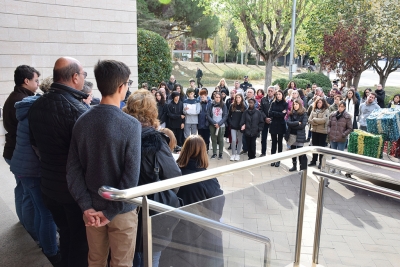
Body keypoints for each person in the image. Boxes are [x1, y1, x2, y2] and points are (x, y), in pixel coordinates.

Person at [66, 60, 141, 267]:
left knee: (95, 260)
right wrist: (109, 213)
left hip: (91, 211)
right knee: (122, 263)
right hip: (122, 211)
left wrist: (86, 207)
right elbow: (131, 176)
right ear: (121, 87)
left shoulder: (82, 121)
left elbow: (72, 171)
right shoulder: (131, 125)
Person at [28, 57, 89, 267]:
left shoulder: (36, 105)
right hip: (73, 192)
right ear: (74, 77)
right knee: (80, 244)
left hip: (49, 187)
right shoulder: (78, 111)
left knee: (65, 235)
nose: (83, 79)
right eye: (83, 75)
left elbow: (34, 143)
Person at [122, 89, 181, 267]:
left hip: (124, 209)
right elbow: (174, 176)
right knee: (151, 256)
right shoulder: (155, 140)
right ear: (152, 112)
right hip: (150, 210)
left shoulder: (119, 133)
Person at [9, 79, 60, 265]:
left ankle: (39, 240)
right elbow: (38, 145)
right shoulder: (39, 111)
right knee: (45, 212)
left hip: (23, 166)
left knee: (36, 207)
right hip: (32, 168)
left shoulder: (28, 107)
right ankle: (51, 251)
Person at [160, 135, 224, 267]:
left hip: (172, 233)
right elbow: (217, 210)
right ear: (203, 152)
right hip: (200, 237)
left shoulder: (172, 174)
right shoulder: (207, 179)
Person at [3, 65, 40, 234]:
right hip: (18, 153)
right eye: (36, 80)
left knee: (22, 190)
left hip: (13, 152)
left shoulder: (15, 97)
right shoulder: (22, 102)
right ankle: (30, 229)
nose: (38, 84)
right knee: (27, 195)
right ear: (26, 81)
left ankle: (25, 224)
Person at [327, 100, 353, 172]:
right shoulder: (333, 115)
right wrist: (329, 132)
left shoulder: (347, 116)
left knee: (340, 154)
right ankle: (333, 167)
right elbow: (328, 125)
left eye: (342, 107)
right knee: (333, 153)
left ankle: (339, 169)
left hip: (341, 138)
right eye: (339, 106)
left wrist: (343, 134)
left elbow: (350, 128)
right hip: (333, 137)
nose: (340, 108)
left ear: (344, 107)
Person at [286, 100, 308, 172]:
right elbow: (288, 122)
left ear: (300, 105)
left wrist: (293, 125)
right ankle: (294, 165)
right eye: (294, 104)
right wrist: (297, 123)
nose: (295, 105)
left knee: (300, 152)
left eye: (296, 104)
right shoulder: (291, 113)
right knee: (293, 151)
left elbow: (302, 125)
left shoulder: (304, 114)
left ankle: (301, 167)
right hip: (292, 135)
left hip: (300, 135)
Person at [308, 98, 330, 169]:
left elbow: (324, 120)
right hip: (314, 131)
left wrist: (314, 120)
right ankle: (314, 160)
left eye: (320, 102)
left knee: (321, 148)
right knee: (314, 147)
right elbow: (309, 119)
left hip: (322, 132)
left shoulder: (326, 110)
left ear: (323, 103)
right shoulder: (313, 110)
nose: (318, 104)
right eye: (317, 102)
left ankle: (321, 162)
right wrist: (316, 122)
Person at [268, 90, 288, 167]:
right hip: (273, 124)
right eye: (277, 94)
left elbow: (283, 115)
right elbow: (270, 113)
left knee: (280, 142)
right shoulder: (273, 103)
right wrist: (279, 113)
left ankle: (278, 159)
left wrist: (275, 113)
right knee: (273, 142)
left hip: (281, 124)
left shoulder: (285, 104)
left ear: (282, 95)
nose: (278, 95)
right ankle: (273, 159)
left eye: (280, 94)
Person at [207, 92, 228, 160]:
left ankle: (220, 153)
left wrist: (219, 124)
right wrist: (214, 123)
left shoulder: (223, 105)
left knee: (220, 139)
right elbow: (208, 115)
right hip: (212, 125)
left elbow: (225, 115)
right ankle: (214, 153)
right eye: (216, 97)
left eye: (219, 97)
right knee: (213, 139)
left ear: (221, 98)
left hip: (221, 125)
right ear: (214, 97)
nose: (217, 98)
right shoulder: (210, 105)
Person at [228, 93, 246, 161]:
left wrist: (243, 124)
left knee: (240, 140)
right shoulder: (232, 105)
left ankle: (238, 154)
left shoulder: (244, 106)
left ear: (241, 98)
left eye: (239, 97)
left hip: (240, 127)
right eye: (237, 97)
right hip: (233, 126)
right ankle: (233, 154)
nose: (238, 99)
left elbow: (246, 116)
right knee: (233, 140)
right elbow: (229, 115)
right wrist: (231, 123)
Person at [259, 86, 275, 157]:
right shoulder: (263, 99)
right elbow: (261, 110)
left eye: (271, 91)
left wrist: (271, 118)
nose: (270, 92)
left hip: (273, 121)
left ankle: (273, 154)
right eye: (269, 91)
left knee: (273, 138)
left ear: (274, 92)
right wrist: (265, 118)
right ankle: (263, 152)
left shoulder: (276, 99)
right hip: (264, 121)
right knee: (263, 138)